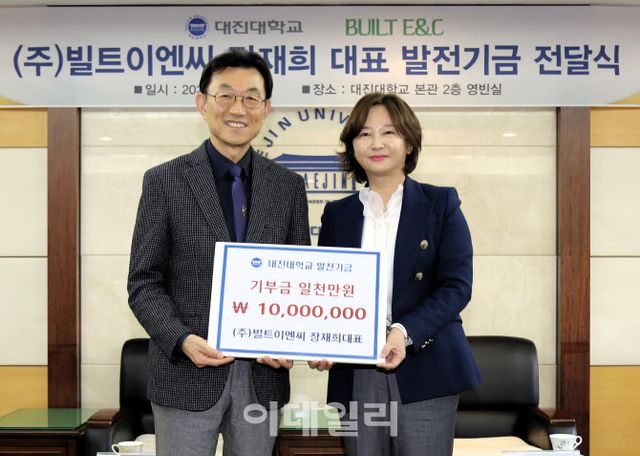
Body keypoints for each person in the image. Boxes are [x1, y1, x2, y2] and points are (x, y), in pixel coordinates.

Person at [127, 49, 310, 456]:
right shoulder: (164, 181)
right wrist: (181, 339)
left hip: (262, 378)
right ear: (202, 102)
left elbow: (299, 281)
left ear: (266, 109)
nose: (237, 109)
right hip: (186, 372)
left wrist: (291, 342)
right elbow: (143, 283)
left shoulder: (288, 187)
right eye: (225, 95)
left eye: (251, 98)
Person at [309, 92, 481, 456]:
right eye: (364, 133)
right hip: (356, 368)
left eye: (388, 132)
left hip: (425, 365)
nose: (376, 143)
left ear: (409, 143)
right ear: (352, 146)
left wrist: (403, 332)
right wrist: (322, 341)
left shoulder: (440, 203)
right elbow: (327, 291)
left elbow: (456, 286)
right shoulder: (338, 214)